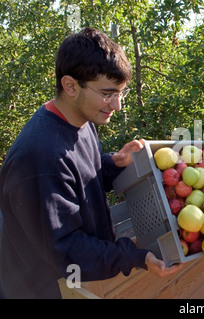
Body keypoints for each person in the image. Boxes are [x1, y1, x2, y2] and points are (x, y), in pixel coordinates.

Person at [0, 27, 182, 299]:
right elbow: (67, 250)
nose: (117, 105)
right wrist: (135, 257)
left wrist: (113, 165)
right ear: (70, 85)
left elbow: (80, 178)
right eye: (108, 93)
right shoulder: (40, 158)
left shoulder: (80, 120)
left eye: (122, 93)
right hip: (40, 288)